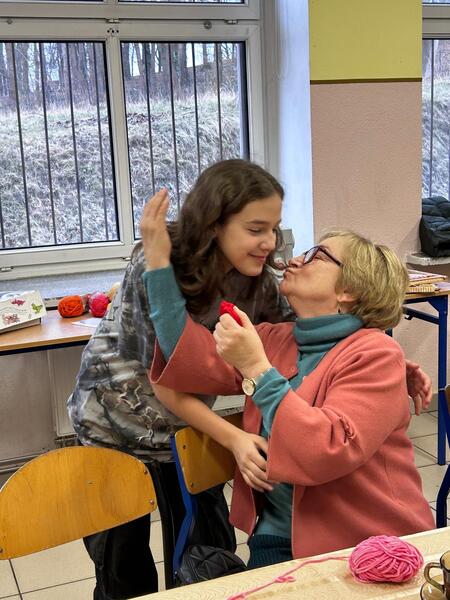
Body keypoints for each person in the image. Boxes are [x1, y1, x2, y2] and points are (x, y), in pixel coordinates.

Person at [143, 218, 435, 568]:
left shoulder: (376, 354)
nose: (295, 260)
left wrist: (257, 369)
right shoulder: (275, 339)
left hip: (369, 542)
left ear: (349, 290)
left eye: (316, 256)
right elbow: (187, 355)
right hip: (279, 538)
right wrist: (158, 266)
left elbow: (325, 450)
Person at [67, 158, 298, 599]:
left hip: (186, 431)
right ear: (214, 225)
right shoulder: (156, 264)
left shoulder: (257, 281)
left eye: (274, 228)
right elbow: (166, 378)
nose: (269, 242)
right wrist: (233, 438)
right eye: (256, 229)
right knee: (123, 571)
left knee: (207, 560)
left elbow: (300, 334)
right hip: (112, 429)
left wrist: (383, 358)